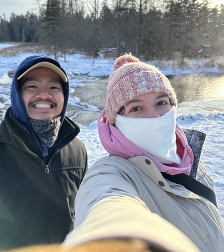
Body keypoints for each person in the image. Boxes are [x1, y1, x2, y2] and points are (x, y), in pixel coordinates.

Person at [62, 54, 224, 252]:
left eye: (161, 103)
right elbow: (106, 204)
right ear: (116, 122)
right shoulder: (112, 173)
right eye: (136, 108)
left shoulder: (190, 160)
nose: (154, 117)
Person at [0, 55, 88, 249]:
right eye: (32, 87)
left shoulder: (77, 150)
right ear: (17, 93)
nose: (44, 95)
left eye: (54, 87)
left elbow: (82, 213)